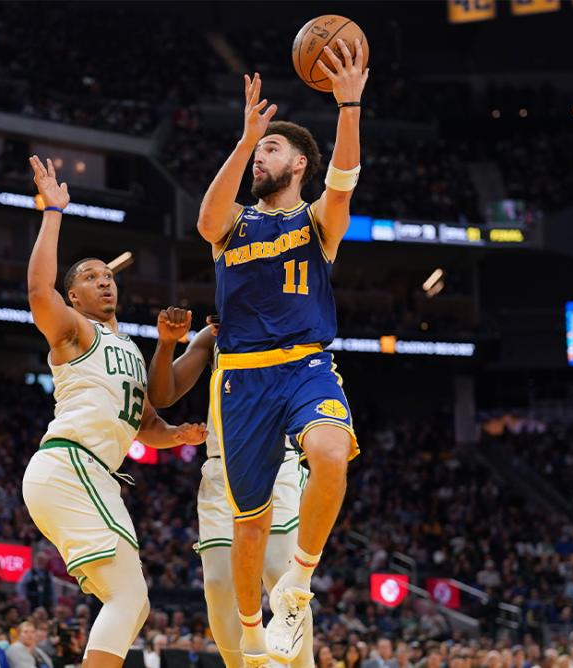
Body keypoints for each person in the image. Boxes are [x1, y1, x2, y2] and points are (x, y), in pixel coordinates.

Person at [194, 43, 369, 663]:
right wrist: (246, 139)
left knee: (329, 452)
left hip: (305, 365)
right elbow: (205, 221)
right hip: (240, 378)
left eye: (272, 149)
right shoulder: (234, 225)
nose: (261, 157)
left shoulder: (318, 222)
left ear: (299, 163)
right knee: (249, 524)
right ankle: (249, 631)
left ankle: (296, 583)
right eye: (259, 151)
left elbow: (344, 179)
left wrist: (347, 105)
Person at [20, 155, 205, 668]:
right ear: (74, 296)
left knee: (132, 601)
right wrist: (53, 212)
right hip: (70, 466)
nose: (105, 282)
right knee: (130, 598)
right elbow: (38, 291)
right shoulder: (76, 331)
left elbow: (149, 427)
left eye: (109, 276)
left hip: (94, 475)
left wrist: (182, 435)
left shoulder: (127, 350)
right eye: (91, 277)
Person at [146, 309, 311, 668]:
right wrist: (167, 344)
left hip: (275, 460)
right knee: (219, 586)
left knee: (282, 584)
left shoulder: (290, 321)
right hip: (222, 466)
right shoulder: (214, 335)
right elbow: (162, 395)